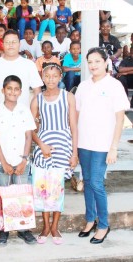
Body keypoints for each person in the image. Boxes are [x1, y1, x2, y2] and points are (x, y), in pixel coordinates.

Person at [76, 47, 129, 244]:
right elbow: (78, 115)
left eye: (97, 61)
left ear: (106, 62)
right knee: (88, 181)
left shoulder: (114, 86)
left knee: (97, 183)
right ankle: (90, 219)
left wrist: (114, 146)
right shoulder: (83, 86)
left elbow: (119, 118)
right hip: (84, 143)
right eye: (90, 62)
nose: (93, 65)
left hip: (102, 145)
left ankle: (104, 225)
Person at [31, 63, 78, 245]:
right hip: (44, 147)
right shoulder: (37, 100)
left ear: (60, 77)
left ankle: (55, 226)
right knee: (44, 188)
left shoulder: (68, 97)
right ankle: (45, 226)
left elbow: (73, 126)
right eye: (47, 76)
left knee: (57, 188)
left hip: (63, 146)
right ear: (42, 78)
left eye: (54, 76)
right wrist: (41, 145)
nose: (50, 79)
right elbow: (30, 129)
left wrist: (74, 153)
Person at [0, 75, 36, 246]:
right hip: (2, 162)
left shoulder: (24, 110)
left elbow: (28, 136)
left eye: (16, 89)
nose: (12, 92)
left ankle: (24, 229)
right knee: (4, 196)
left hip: (21, 161)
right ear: (3, 90)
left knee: (22, 196)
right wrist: (4, 163)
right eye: (9, 88)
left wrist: (24, 160)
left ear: (21, 92)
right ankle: (4, 230)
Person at [0, 30, 43, 107]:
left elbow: (37, 92)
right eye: (7, 42)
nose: (11, 45)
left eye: (14, 42)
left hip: (23, 115)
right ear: (2, 45)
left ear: (19, 44)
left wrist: (33, 115)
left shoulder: (29, 65)